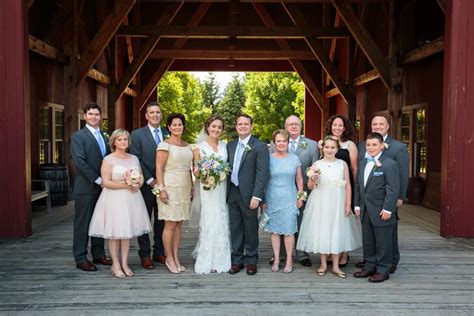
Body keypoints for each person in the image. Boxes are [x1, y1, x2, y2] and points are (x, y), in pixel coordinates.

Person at [88, 129, 152, 278]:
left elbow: (140, 178)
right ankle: (115, 265)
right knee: (115, 233)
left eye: (125, 139)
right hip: (114, 199)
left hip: (132, 199)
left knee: (126, 234)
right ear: (114, 142)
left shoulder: (134, 158)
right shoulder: (108, 160)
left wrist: (138, 183)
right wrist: (127, 185)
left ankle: (125, 263)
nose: (123, 142)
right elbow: (106, 182)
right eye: (120, 139)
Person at [297, 136, 362, 278]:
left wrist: (348, 204)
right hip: (321, 201)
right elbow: (310, 186)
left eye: (333, 147)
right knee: (324, 230)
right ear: (322, 148)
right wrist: (314, 179)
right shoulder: (317, 164)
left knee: (337, 229)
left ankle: (336, 266)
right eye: (327, 147)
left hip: (338, 201)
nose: (330, 150)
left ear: (337, 149)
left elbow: (348, 185)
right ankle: (323, 264)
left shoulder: (342, 164)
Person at [356, 115, 409, 273]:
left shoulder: (398, 147)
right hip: (367, 198)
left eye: (381, 124)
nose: (377, 126)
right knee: (370, 233)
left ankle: (390, 262)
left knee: (387, 231)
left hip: (386, 198)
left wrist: (399, 197)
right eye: (374, 124)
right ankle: (371, 262)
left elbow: (402, 173)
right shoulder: (362, 146)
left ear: (387, 127)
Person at [269, 115, 319, 267]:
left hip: (302, 189)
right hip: (277, 190)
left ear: (301, 126)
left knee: (301, 221)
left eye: (296, 124)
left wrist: (303, 193)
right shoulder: (274, 144)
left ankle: (301, 252)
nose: (293, 127)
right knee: (280, 222)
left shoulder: (312, 145)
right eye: (290, 124)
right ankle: (280, 255)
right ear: (285, 126)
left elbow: (314, 167)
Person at [70, 103, 112, 271]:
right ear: (85, 116)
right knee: (83, 223)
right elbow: (79, 162)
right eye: (91, 114)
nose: (94, 117)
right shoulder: (78, 137)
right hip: (86, 188)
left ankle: (98, 254)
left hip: (104, 187)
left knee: (100, 222)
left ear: (100, 117)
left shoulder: (105, 135)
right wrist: (98, 179)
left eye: (97, 114)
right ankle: (80, 257)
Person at [353, 132, 400, 283]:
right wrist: (357, 204)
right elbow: (359, 186)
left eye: (374, 145)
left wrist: (388, 209)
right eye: (368, 145)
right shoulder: (363, 162)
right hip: (365, 209)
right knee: (368, 240)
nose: (371, 147)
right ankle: (369, 266)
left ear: (381, 146)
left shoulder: (389, 164)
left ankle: (383, 269)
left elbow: (392, 189)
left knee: (383, 241)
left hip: (381, 210)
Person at [227, 114, 270, 276]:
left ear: (251, 126)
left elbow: (262, 173)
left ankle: (251, 260)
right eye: (240, 124)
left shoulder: (259, 146)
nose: (243, 126)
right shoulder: (230, 146)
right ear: (236, 126)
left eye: (246, 124)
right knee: (235, 228)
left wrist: (257, 196)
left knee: (250, 228)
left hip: (250, 194)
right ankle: (237, 260)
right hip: (232, 192)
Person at [129, 102, 169, 270]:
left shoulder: (168, 133)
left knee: (162, 219)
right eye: (151, 112)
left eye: (158, 112)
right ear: (146, 116)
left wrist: (163, 183)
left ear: (161, 115)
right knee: (144, 219)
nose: (155, 115)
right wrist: (151, 180)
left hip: (166, 185)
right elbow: (137, 159)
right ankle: (145, 254)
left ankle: (158, 251)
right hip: (145, 185)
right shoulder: (137, 135)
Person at [191, 115, 231, 274]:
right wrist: (205, 174)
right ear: (207, 127)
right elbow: (197, 170)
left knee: (222, 217)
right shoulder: (198, 148)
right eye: (213, 126)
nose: (216, 129)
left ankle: (221, 256)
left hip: (221, 188)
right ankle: (208, 256)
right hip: (208, 188)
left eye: (219, 127)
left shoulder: (225, 146)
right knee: (209, 219)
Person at [155, 113, 193, 274]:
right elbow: (159, 168)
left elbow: (191, 169)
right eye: (174, 124)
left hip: (184, 187)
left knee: (178, 224)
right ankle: (168, 257)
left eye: (180, 124)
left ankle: (176, 257)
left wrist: (191, 187)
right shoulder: (165, 145)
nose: (177, 127)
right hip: (169, 187)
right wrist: (162, 188)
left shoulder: (188, 146)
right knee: (170, 224)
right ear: (169, 127)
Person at [263, 129, 304, 274]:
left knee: (289, 231)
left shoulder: (294, 158)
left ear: (288, 142)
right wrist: (263, 200)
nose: (281, 143)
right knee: (274, 231)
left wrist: (300, 197)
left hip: (289, 197)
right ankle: (276, 259)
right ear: (274, 143)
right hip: (272, 197)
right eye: (278, 141)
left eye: (284, 141)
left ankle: (289, 260)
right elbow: (264, 180)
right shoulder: (268, 158)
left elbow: (299, 179)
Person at [322, 114, 358, 267]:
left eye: (340, 125)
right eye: (334, 125)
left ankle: (344, 253)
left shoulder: (350, 145)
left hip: (344, 186)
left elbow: (354, 168)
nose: (337, 128)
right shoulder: (324, 142)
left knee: (343, 220)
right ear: (331, 126)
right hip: (327, 188)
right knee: (330, 220)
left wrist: (355, 191)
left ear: (345, 128)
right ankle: (331, 250)